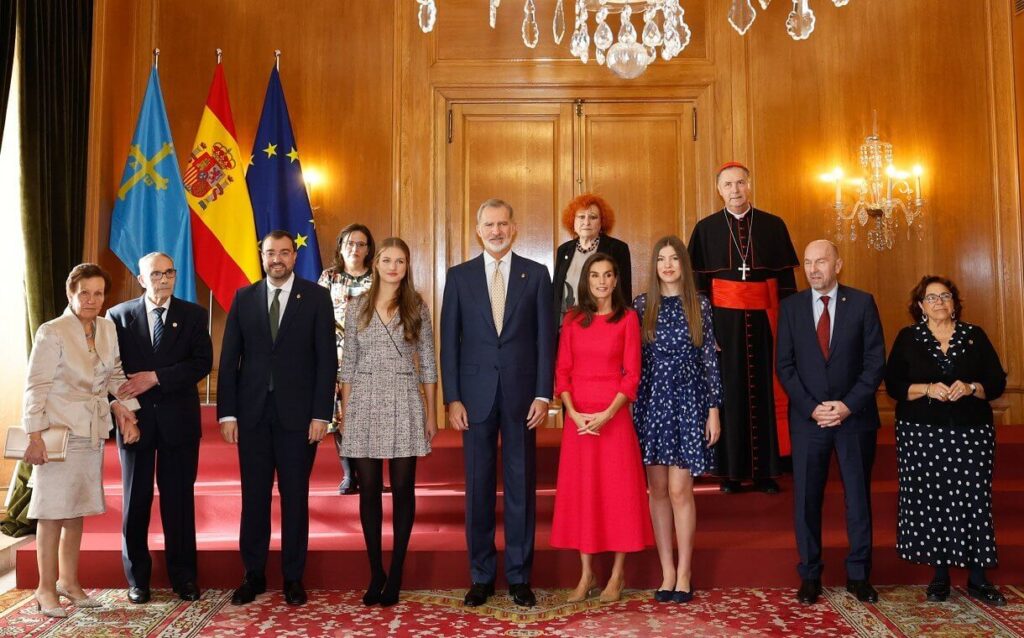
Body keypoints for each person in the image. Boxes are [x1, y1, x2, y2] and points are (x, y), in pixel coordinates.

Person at [440, 198, 554, 608]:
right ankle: (482, 576)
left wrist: (544, 393)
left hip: (524, 398)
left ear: (515, 227)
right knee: (479, 489)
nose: (496, 231)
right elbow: (448, 342)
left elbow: (546, 340)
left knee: (522, 487)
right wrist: (451, 398)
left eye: (503, 224)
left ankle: (520, 576)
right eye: (489, 225)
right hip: (474, 399)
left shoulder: (538, 275)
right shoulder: (459, 277)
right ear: (478, 230)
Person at [217, 230, 336, 606]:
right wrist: (227, 413)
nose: (278, 259)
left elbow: (326, 361)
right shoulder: (244, 297)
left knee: (295, 498)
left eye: (285, 252)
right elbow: (229, 360)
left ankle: (293, 577)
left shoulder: (316, 298)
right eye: (271, 253)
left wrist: (322, 414)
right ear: (262, 256)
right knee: (254, 498)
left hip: (299, 418)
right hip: (251, 415)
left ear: (294, 257)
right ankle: (253, 575)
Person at [22, 263, 140, 617]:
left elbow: (116, 375)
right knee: (52, 512)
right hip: (56, 433)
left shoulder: (106, 327)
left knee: (76, 511)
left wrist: (127, 410)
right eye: (84, 293)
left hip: (91, 432)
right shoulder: (52, 331)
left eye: (98, 293)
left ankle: (69, 583)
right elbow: (36, 385)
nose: (92, 300)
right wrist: (34, 435)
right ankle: (45, 588)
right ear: (70, 294)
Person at [885, 276, 1008, 606]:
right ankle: (940, 578)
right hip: (921, 435)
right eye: (931, 298)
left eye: (945, 296)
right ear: (921, 307)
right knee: (933, 502)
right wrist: (926, 388)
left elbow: (996, 382)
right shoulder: (908, 338)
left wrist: (970, 387)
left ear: (954, 303)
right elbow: (894, 385)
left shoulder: (975, 336)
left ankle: (978, 579)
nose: (939, 302)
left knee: (974, 502)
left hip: (971, 434)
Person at [776, 240, 885, 605]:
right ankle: (809, 575)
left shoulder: (862, 303)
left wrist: (847, 406)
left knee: (857, 499)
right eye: (807, 263)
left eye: (820, 261)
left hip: (854, 419)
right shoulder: (790, 307)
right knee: (807, 500)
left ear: (838, 264)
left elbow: (874, 363)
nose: (813, 269)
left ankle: (859, 575)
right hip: (809, 421)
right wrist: (812, 408)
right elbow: (785, 366)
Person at [108, 252, 213, 604]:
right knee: (135, 501)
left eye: (169, 273)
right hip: (135, 422)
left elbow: (202, 363)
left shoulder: (194, 315)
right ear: (141, 279)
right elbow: (110, 369)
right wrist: (124, 410)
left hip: (179, 424)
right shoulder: (118, 316)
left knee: (178, 503)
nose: (164, 279)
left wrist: (156, 377)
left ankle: (184, 577)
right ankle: (138, 579)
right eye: (156, 274)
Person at [338, 237, 438, 607]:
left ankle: (396, 571)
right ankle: (375, 571)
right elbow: (347, 363)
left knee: (402, 490)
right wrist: (345, 414)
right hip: (363, 399)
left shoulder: (417, 308)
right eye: (387, 259)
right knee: (367, 492)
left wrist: (430, 413)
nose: (393, 266)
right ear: (376, 263)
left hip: (404, 399)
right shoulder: (358, 306)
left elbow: (428, 363)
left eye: (400, 261)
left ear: (407, 266)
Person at [688, 162, 799, 494]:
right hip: (724, 326)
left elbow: (787, 284)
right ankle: (731, 473)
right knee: (729, 394)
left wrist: (788, 329)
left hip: (766, 322)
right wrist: (708, 332)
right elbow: (698, 288)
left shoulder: (772, 225)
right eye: (728, 185)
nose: (735, 190)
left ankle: (766, 470)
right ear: (719, 190)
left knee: (765, 391)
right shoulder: (706, 229)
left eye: (740, 183)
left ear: (749, 186)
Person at [551, 253, 652, 603]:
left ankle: (617, 574)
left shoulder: (628, 319)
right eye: (595, 275)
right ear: (587, 280)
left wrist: (608, 414)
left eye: (608, 275)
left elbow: (632, 374)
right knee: (584, 495)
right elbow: (561, 371)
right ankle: (586, 573)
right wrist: (574, 414)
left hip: (614, 419)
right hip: (579, 422)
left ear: (616, 280)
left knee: (617, 495)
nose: (602, 281)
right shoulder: (573, 318)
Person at [633, 236, 722, 603]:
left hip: (689, 401)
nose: (667, 265)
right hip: (652, 402)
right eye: (661, 259)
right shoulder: (641, 306)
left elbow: (710, 361)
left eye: (674, 258)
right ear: (654, 266)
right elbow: (632, 360)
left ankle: (685, 570)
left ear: (683, 264)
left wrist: (714, 409)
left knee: (679, 490)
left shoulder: (699, 304)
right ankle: (666, 571)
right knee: (657, 492)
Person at [318, 224, 375, 495]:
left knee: (371, 416)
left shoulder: (378, 277)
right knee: (342, 416)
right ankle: (349, 474)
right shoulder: (329, 278)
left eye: (361, 244)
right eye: (350, 243)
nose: (355, 248)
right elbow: (316, 317)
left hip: (371, 358)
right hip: (336, 357)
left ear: (368, 249)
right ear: (341, 246)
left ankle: (371, 474)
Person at [553, 194, 632, 333]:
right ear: (573, 220)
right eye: (581, 217)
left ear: (602, 222)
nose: (586, 222)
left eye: (593, 217)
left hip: (603, 326)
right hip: (567, 327)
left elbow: (624, 293)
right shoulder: (563, 250)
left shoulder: (617, 249)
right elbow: (556, 293)